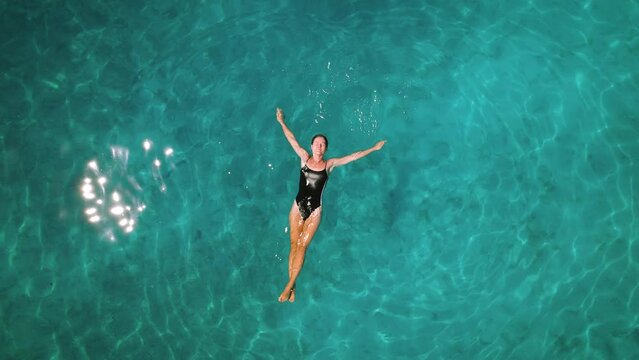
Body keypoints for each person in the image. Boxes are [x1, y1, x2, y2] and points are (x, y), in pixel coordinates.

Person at [275, 107, 386, 302]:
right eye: (317, 143)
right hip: (297, 205)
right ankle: (292, 286)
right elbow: (291, 138)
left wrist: (374, 148)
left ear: (326, 149)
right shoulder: (304, 158)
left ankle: (289, 286)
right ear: (311, 145)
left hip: (315, 211)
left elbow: (353, 156)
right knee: (293, 244)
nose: (319, 147)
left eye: (322, 145)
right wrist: (282, 121)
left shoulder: (329, 164)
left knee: (302, 246)